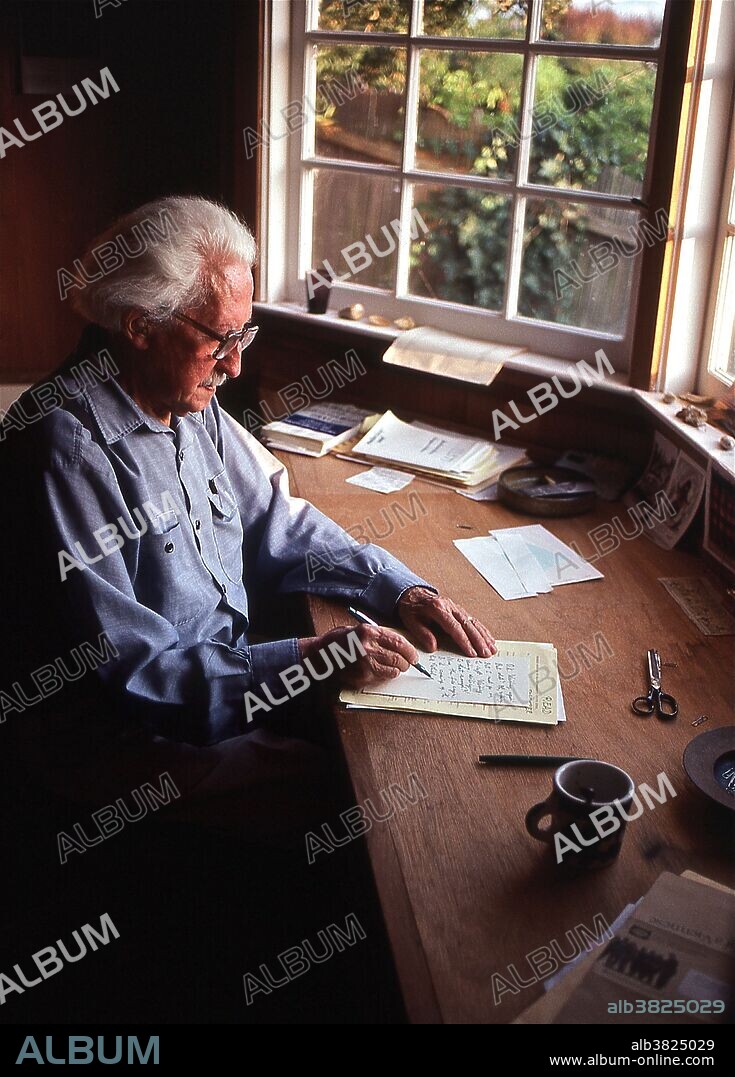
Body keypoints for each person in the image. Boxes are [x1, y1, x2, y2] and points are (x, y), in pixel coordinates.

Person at [1, 196, 496, 836]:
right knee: (358, 797)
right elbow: (134, 676)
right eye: (220, 340)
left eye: (245, 335)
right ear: (139, 325)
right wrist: (308, 659)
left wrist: (399, 587)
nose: (236, 365)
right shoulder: (67, 448)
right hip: (124, 741)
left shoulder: (184, 395)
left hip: (221, 687)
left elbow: (274, 521)